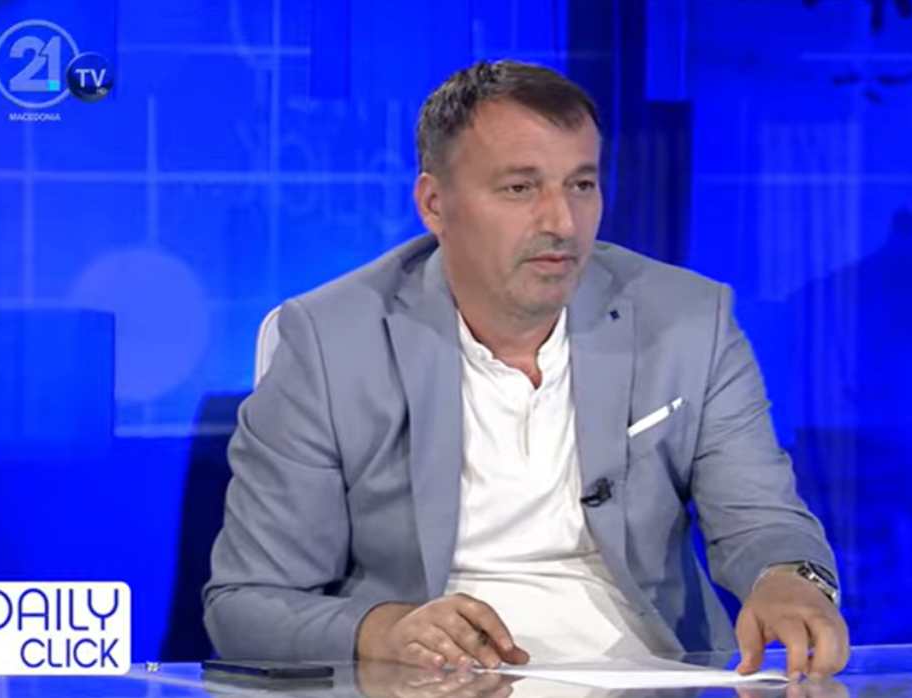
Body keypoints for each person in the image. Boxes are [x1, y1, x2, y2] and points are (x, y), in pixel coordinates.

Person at [203, 59, 849, 680]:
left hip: (653, 676)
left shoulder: (689, 320)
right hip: (441, 684)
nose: (561, 222)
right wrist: (381, 632)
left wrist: (789, 580)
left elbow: (763, 520)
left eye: (582, 185)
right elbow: (246, 603)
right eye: (520, 188)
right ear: (434, 204)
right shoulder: (331, 342)